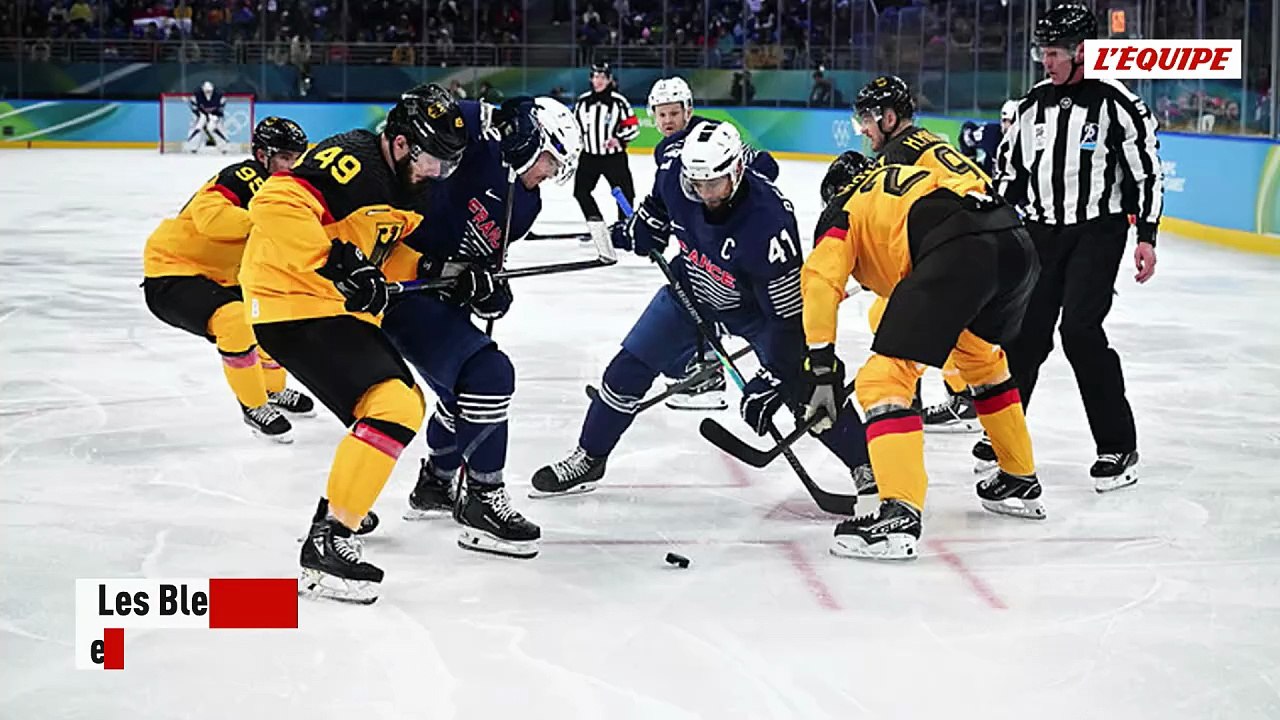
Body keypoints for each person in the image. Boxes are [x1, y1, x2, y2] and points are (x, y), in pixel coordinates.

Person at [531, 122, 874, 505]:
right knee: (626, 368)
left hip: (757, 312)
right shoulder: (676, 174)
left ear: (737, 172)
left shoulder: (769, 222)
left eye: (715, 184)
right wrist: (647, 225)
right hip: (691, 289)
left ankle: (866, 465)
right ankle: (590, 457)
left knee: (807, 389)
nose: (706, 194)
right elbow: (659, 205)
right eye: (698, 185)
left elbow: (787, 318)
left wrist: (774, 375)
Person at [241, 83, 468, 604]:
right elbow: (273, 202)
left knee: (392, 406)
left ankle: (343, 509)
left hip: (326, 305)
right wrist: (334, 261)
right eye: (433, 159)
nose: (437, 173)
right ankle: (329, 539)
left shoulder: (415, 183)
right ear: (404, 143)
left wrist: (447, 272)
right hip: (289, 300)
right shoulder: (353, 159)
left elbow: (380, 254)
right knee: (394, 405)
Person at [801, 153, 1043, 561]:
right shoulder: (901, 180)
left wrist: (821, 369)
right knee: (980, 358)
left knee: (883, 380)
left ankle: (898, 513)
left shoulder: (843, 208)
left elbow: (821, 281)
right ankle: (1018, 475)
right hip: (1013, 240)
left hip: (959, 249)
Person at [383, 96, 583, 559]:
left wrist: (488, 289)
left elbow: (481, 264)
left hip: (436, 294)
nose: (550, 173)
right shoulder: (477, 139)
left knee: (465, 394)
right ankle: (482, 500)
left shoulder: (526, 206)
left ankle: (436, 483)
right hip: (397, 283)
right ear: (530, 139)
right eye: (550, 160)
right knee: (489, 376)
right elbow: (437, 117)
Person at [992, 3, 1162, 493]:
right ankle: (1005, 438)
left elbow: (1145, 173)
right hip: (1044, 234)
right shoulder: (1033, 105)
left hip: (1098, 232)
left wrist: (1146, 236)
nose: (1045, 62)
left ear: (1082, 52)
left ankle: (1117, 443)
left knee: (1081, 332)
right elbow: (1010, 174)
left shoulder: (1117, 102)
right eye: (1041, 52)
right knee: (1024, 336)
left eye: (1053, 53)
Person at [143, 116, 314, 443]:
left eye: (297, 158)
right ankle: (253, 405)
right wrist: (265, 222)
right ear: (263, 156)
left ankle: (272, 391)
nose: (292, 166)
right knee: (234, 320)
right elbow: (210, 218)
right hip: (172, 270)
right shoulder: (244, 175)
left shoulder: (287, 189)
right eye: (285, 158)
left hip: (221, 277)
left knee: (275, 315)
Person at [853, 74, 991, 434]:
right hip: (987, 242)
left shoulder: (897, 156)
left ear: (889, 118)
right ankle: (965, 396)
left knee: (892, 314)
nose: (864, 128)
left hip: (969, 248)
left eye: (868, 119)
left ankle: (906, 402)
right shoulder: (922, 141)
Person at [645, 76, 780, 411]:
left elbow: (765, 165)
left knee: (705, 296)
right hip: (699, 244)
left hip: (731, 245)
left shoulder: (714, 135)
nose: (667, 121)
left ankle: (725, 373)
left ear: (688, 109)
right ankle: (705, 367)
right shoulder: (665, 150)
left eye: (674, 113)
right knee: (689, 292)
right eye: (661, 114)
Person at [572, 61, 638, 223]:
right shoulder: (582, 102)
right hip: (589, 156)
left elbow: (633, 128)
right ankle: (596, 222)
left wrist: (619, 139)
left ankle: (625, 225)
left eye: (602, 77)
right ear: (591, 79)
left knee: (625, 193)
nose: (599, 80)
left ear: (609, 80)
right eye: (596, 76)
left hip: (613, 158)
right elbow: (574, 128)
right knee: (580, 192)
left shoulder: (619, 102)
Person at [958, 99, 1019, 176]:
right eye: (1012, 122)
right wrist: (971, 163)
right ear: (1003, 120)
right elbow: (967, 134)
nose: (1016, 127)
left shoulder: (1031, 140)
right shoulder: (990, 133)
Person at [187, 81, 230, 154]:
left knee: (213, 128)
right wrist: (200, 114)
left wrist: (215, 115)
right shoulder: (196, 95)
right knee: (198, 127)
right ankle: (193, 147)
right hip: (201, 114)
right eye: (206, 91)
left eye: (209, 91)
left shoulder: (219, 95)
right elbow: (193, 107)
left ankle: (224, 147)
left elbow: (221, 107)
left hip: (214, 114)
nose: (208, 93)